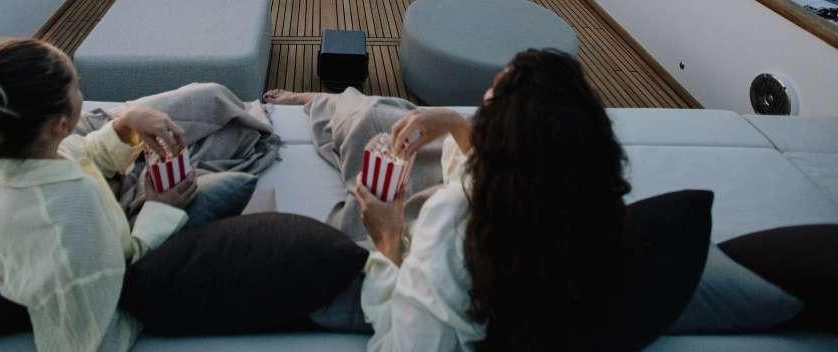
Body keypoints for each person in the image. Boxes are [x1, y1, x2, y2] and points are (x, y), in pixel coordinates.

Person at [265, 49, 631, 351]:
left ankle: (323, 102)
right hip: (478, 187)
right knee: (394, 119)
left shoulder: (450, 223)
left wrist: (388, 240)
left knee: (371, 121)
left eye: (487, 108)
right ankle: (331, 103)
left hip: (419, 226)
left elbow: (401, 346)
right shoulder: (582, 204)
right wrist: (455, 123)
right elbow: (516, 175)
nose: (480, 109)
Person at [0, 37, 198, 352]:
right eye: (76, 86)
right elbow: (100, 310)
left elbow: (80, 152)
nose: (80, 91)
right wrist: (157, 210)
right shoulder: (70, 207)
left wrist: (125, 125)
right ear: (60, 125)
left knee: (200, 98)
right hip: (83, 264)